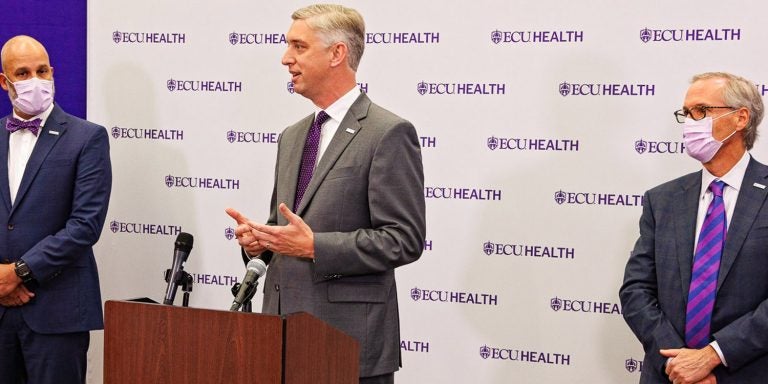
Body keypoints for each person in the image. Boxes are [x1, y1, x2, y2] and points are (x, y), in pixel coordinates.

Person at [226, 4, 425, 384]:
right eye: (288, 46)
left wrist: (315, 245)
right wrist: (259, 243)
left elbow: (404, 240)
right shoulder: (292, 135)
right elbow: (283, 228)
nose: (286, 59)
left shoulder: (387, 133)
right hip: (278, 339)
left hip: (346, 345)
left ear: (338, 54)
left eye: (299, 47)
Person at [620, 72, 768, 384]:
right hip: (669, 375)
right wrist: (680, 363)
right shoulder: (662, 200)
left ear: (741, 118)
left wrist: (713, 355)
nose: (690, 123)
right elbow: (636, 290)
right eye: (686, 113)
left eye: (701, 111)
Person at [0, 35, 112, 384]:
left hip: (57, 313)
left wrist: (17, 272)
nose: (36, 80)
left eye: (42, 70)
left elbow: (85, 226)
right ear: (4, 81)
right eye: (23, 73)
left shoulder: (87, 137)